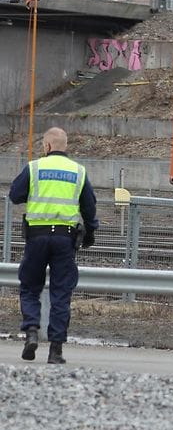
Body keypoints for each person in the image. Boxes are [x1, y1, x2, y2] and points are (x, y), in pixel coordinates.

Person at [10, 127, 99, 365]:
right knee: (61, 292)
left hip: (36, 237)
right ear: (65, 146)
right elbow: (89, 206)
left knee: (30, 287)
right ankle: (56, 350)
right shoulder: (78, 171)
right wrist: (90, 232)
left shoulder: (34, 168)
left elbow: (15, 195)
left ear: (47, 146)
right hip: (64, 239)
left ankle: (31, 331)